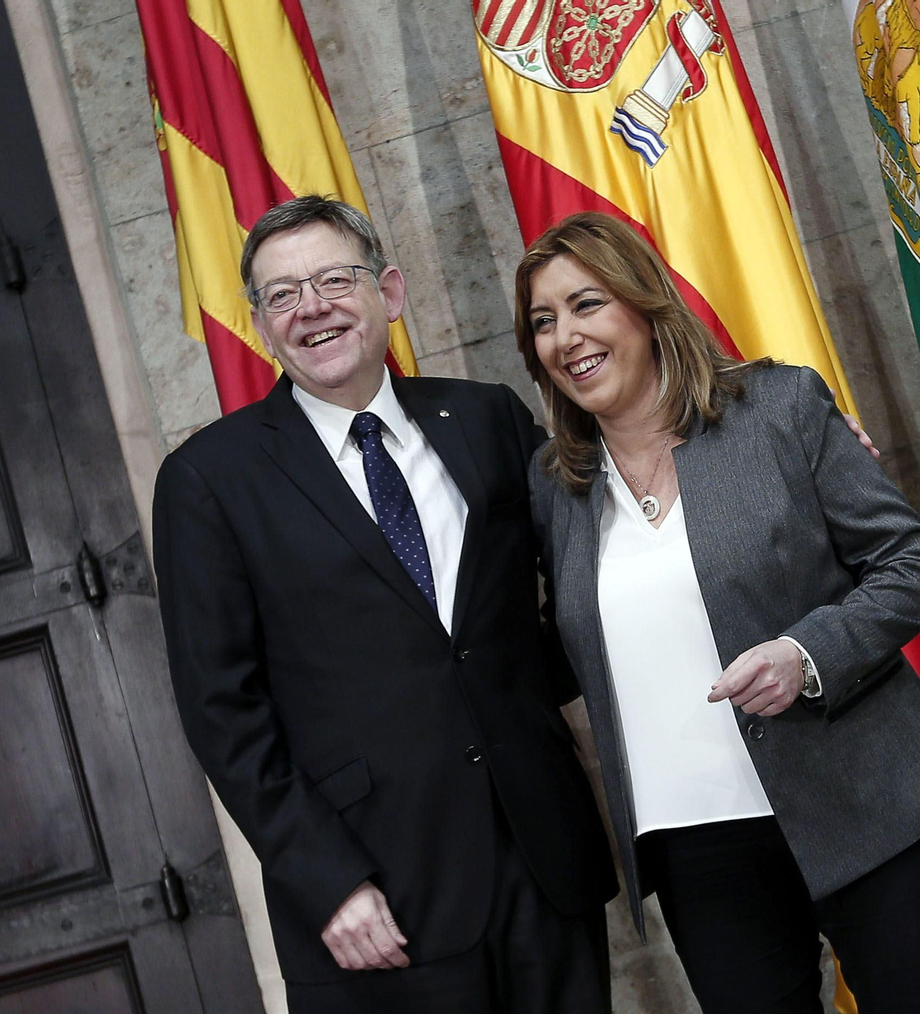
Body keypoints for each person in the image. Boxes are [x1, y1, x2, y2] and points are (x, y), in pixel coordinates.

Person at [151, 196, 619, 1014]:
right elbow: (222, 711)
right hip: (376, 905)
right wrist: (327, 882)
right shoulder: (208, 481)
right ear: (260, 325)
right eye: (283, 295)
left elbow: (604, 559)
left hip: (544, 864)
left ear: (389, 293)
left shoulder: (486, 420)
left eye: (335, 279)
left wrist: (747, 449)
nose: (313, 308)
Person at [518, 212, 920, 1014]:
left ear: (643, 303)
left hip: (859, 797)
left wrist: (805, 655)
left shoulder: (778, 409)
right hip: (698, 849)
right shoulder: (557, 487)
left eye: (586, 304)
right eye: (543, 322)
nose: (566, 336)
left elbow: (913, 568)